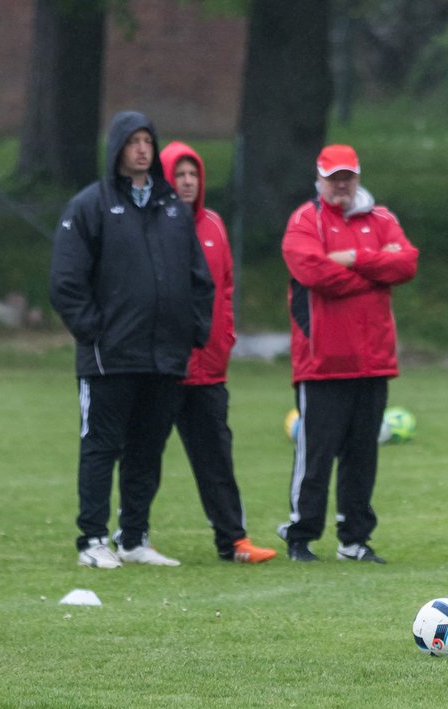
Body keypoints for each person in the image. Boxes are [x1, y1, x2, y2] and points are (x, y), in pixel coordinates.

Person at [50, 110, 214, 568]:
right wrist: (93, 332)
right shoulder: (91, 205)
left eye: (148, 140)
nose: (142, 149)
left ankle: (134, 537)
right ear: (118, 148)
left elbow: (200, 280)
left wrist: (193, 331)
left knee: (147, 449)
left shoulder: (172, 210)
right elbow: (65, 281)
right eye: (133, 141)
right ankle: (93, 541)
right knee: (101, 446)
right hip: (110, 356)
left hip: (164, 356)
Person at [278, 144, 419, 563]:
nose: (341, 184)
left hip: (373, 361)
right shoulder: (305, 220)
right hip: (322, 362)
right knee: (316, 457)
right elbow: (313, 272)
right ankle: (300, 536)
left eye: (347, 176)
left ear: (357, 177)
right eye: (333, 177)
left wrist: (355, 257)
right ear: (319, 180)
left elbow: (407, 264)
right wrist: (375, 274)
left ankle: (354, 540)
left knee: (362, 456)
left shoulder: (382, 218)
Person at [159, 141, 276, 564]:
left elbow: (224, 290)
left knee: (217, 459)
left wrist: (223, 338)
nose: (187, 182)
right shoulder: (153, 224)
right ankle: (129, 535)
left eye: (193, 175)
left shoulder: (213, 225)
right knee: (143, 457)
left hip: (208, 369)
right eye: (179, 175)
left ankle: (234, 542)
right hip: (162, 367)